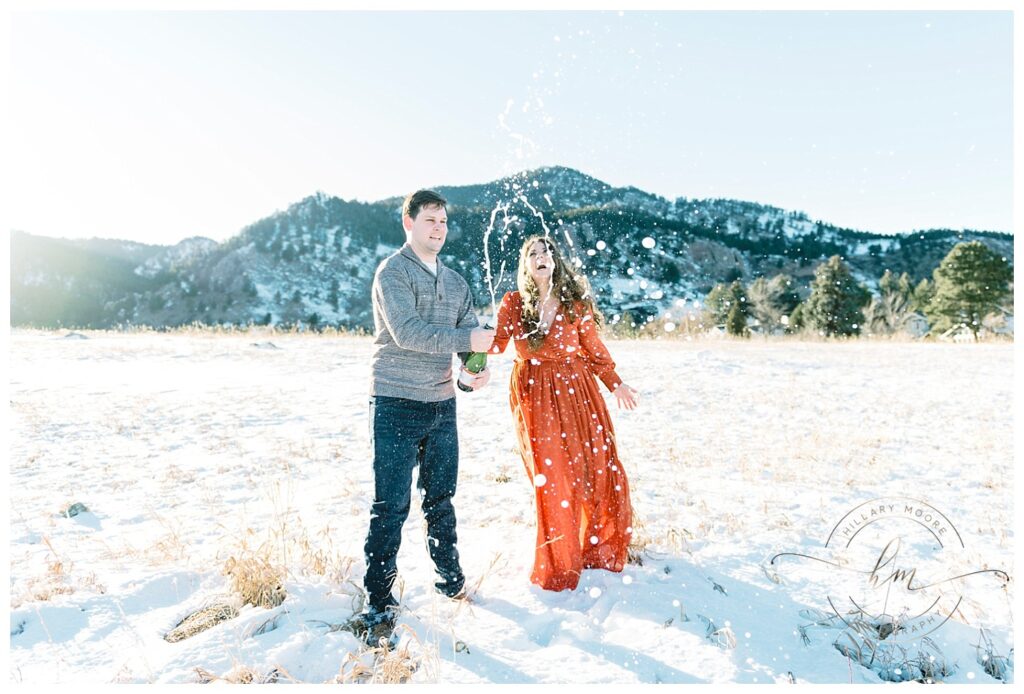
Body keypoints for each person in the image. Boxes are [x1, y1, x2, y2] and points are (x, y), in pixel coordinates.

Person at [354, 189, 495, 644]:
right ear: (408, 224)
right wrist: (470, 340)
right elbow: (408, 332)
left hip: (440, 405)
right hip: (395, 400)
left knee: (441, 498)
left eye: (444, 221)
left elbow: (464, 342)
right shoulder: (392, 271)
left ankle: (450, 579)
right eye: (430, 219)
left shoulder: (455, 282)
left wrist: (474, 371)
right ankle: (378, 601)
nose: (439, 228)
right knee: (391, 506)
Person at [490, 235, 639, 591]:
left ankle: (595, 545)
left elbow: (594, 351)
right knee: (552, 478)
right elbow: (494, 345)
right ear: (525, 265)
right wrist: (469, 345)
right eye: (533, 254)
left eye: (547, 253)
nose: (541, 258)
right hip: (534, 397)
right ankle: (559, 560)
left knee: (594, 468)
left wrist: (615, 383)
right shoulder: (513, 304)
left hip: (578, 394)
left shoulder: (575, 305)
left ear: (556, 261)